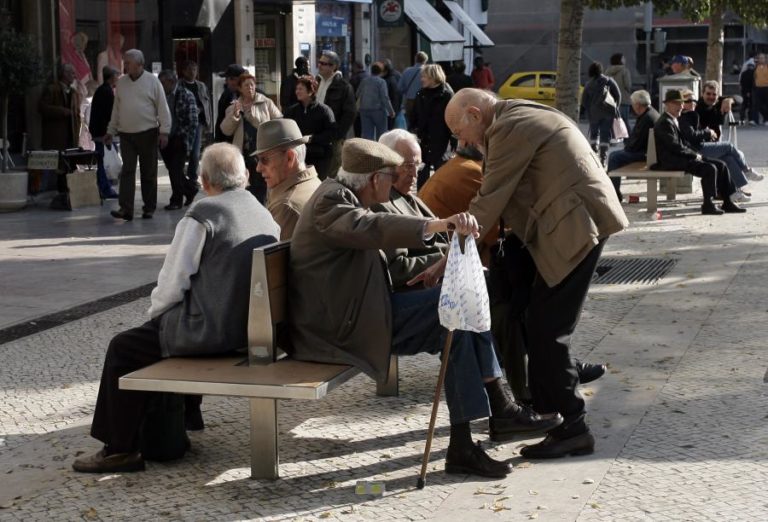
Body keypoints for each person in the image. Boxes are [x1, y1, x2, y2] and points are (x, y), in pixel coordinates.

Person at [289, 138, 563, 478]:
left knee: (456, 311)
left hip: (359, 313)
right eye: (392, 174)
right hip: (337, 330)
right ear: (376, 179)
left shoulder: (343, 195)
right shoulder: (329, 202)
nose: (395, 182)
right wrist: (438, 224)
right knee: (453, 307)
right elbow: (370, 227)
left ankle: (472, 435)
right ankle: (497, 409)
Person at [71, 143, 280, 474]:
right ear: (241, 177)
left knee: (124, 347)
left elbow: (171, 284)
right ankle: (188, 414)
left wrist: (157, 319)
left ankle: (119, 449)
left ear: (205, 180)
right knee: (161, 330)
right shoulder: (260, 210)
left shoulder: (202, 215)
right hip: (250, 330)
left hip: (213, 333)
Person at [444, 88, 628, 458]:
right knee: (532, 319)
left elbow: (490, 197)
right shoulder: (512, 116)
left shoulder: (509, 127)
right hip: (568, 222)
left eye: (459, 131)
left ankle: (571, 426)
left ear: (475, 114)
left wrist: (450, 252)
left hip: (576, 227)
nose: (460, 141)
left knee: (547, 330)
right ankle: (549, 413)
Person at [372, 129, 448, 290]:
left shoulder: (408, 196)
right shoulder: (381, 203)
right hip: (412, 290)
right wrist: (445, 261)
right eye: (407, 166)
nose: (415, 174)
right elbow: (396, 270)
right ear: (387, 163)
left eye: (418, 165)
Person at [653, 89, 745, 215]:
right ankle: (708, 204)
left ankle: (728, 202)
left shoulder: (673, 119)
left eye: (681, 103)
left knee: (722, 165)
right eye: (676, 103)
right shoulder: (664, 122)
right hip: (672, 160)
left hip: (681, 156)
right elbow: (675, 147)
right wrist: (695, 155)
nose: (680, 106)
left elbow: (682, 145)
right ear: (667, 104)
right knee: (710, 169)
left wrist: (697, 154)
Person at [106, 49, 171, 221]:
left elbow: (162, 108)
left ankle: (149, 207)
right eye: (124, 62)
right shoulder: (121, 83)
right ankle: (125, 208)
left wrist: (164, 131)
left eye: (128, 63)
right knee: (127, 171)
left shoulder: (152, 82)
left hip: (148, 132)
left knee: (148, 172)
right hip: (126, 134)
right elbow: (116, 110)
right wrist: (110, 131)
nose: (125, 66)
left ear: (139, 64)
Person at [678, 91, 757, 202]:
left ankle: (734, 191)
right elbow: (691, 135)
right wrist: (708, 133)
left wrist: (728, 99)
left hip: (700, 146)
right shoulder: (686, 115)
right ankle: (746, 170)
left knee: (728, 159)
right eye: (688, 101)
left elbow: (738, 99)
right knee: (728, 147)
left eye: (693, 101)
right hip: (695, 150)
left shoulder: (694, 112)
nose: (692, 103)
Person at [219, 72, 282, 203]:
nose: (250, 88)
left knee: (261, 187)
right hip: (244, 154)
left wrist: (254, 118)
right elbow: (226, 130)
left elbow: (279, 122)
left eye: (252, 85)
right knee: (244, 186)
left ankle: (261, 211)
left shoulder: (265, 102)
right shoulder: (233, 106)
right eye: (246, 85)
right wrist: (235, 116)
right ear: (240, 88)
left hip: (262, 151)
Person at [254, 119, 321, 240]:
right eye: (257, 160)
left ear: (289, 158)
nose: (258, 168)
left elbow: (269, 257)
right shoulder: (315, 183)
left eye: (264, 159)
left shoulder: (285, 206)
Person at [606, 89, 660, 201]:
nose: (632, 107)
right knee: (616, 155)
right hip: (650, 152)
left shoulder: (646, 118)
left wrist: (626, 148)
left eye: (633, 104)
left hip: (646, 154)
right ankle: (611, 190)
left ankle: (614, 194)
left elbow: (635, 145)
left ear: (638, 105)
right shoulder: (651, 113)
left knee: (614, 157)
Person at [38, 63, 82, 197]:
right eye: (72, 73)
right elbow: (42, 108)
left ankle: (67, 191)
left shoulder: (74, 92)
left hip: (71, 134)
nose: (74, 76)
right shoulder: (52, 89)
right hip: (56, 135)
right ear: (64, 74)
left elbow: (76, 112)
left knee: (68, 164)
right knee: (56, 165)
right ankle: (53, 190)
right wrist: (62, 112)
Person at [158, 69, 199, 211]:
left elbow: (193, 121)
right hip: (165, 139)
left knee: (176, 170)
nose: (160, 86)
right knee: (174, 171)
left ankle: (176, 200)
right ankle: (190, 189)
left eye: (162, 83)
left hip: (180, 139)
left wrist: (183, 138)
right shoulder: (161, 97)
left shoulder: (186, 95)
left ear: (171, 82)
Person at [283, 76, 336, 180]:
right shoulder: (291, 111)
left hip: (320, 157)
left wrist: (313, 138)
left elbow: (331, 133)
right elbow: (285, 130)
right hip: (298, 156)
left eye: (301, 89)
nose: (297, 91)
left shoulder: (324, 110)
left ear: (311, 91)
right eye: (296, 89)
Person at [412, 64, 454, 189]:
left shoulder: (447, 95)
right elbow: (414, 114)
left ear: (433, 77)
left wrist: (453, 139)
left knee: (442, 176)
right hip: (423, 139)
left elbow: (452, 119)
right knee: (421, 176)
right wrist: (414, 131)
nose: (421, 79)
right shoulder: (420, 94)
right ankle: (421, 201)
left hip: (441, 141)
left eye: (424, 76)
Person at [316, 50, 356, 177]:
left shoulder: (344, 86)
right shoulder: (316, 83)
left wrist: (338, 134)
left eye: (323, 63)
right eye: (319, 62)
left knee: (333, 172)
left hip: (333, 138)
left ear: (333, 67)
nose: (319, 65)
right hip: (317, 135)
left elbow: (350, 113)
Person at [581, 61, 621, 167]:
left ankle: (594, 156)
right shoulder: (609, 81)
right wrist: (615, 107)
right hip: (608, 112)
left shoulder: (588, 84)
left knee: (594, 135)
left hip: (593, 113)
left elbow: (584, 101)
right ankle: (603, 159)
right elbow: (618, 95)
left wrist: (589, 109)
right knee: (605, 135)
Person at [179, 60, 212, 188]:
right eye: (189, 69)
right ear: (184, 71)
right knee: (181, 151)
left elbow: (207, 104)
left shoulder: (201, 86)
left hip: (197, 123)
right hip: (182, 124)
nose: (192, 72)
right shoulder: (179, 86)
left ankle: (192, 177)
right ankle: (180, 177)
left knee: (195, 152)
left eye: (194, 69)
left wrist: (207, 120)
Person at [89, 66, 120, 198]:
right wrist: (109, 133)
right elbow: (109, 114)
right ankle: (105, 188)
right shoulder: (106, 92)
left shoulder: (103, 90)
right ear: (112, 77)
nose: (118, 78)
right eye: (116, 76)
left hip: (101, 132)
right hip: (103, 134)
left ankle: (105, 187)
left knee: (105, 160)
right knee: (104, 160)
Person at [356, 62, 394, 141]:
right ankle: (379, 152)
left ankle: (368, 151)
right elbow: (385, 97)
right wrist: (391, 111)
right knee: (382, 134)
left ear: (371, 70)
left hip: (364, 110)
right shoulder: (381, 82)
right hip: (378, 110)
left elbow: (357, 94)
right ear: (381, 71)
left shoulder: (364, 80)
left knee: (367, 134)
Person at [215, 64, 246, 143]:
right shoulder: (226, 95)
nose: (226, 81)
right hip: (230, 142)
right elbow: (220, 120)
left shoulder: (257, 95)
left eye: (227, 78)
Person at [399, 51, 429, 127]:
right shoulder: (428, 71)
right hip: (424, 100)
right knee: (423, 123)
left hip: (410, 101)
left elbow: (399, 88)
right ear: (425, 60)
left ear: (415, 59)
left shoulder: (407, 71)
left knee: (410, 124)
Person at [605, 53, 632, 126]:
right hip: (623, 100)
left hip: (611, 100)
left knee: (613, 123)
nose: (625, 59)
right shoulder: (625, 71)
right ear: (620, 60)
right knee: (624, 122)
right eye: (623, 58)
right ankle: (627, 137)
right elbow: (628, 85)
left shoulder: (607, 71)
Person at [382, 60, 402, 130]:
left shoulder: (384, 79)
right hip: (396, 104)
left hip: (388, 105)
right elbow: (401, 91)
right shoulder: (398, 75)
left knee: (388, 127)